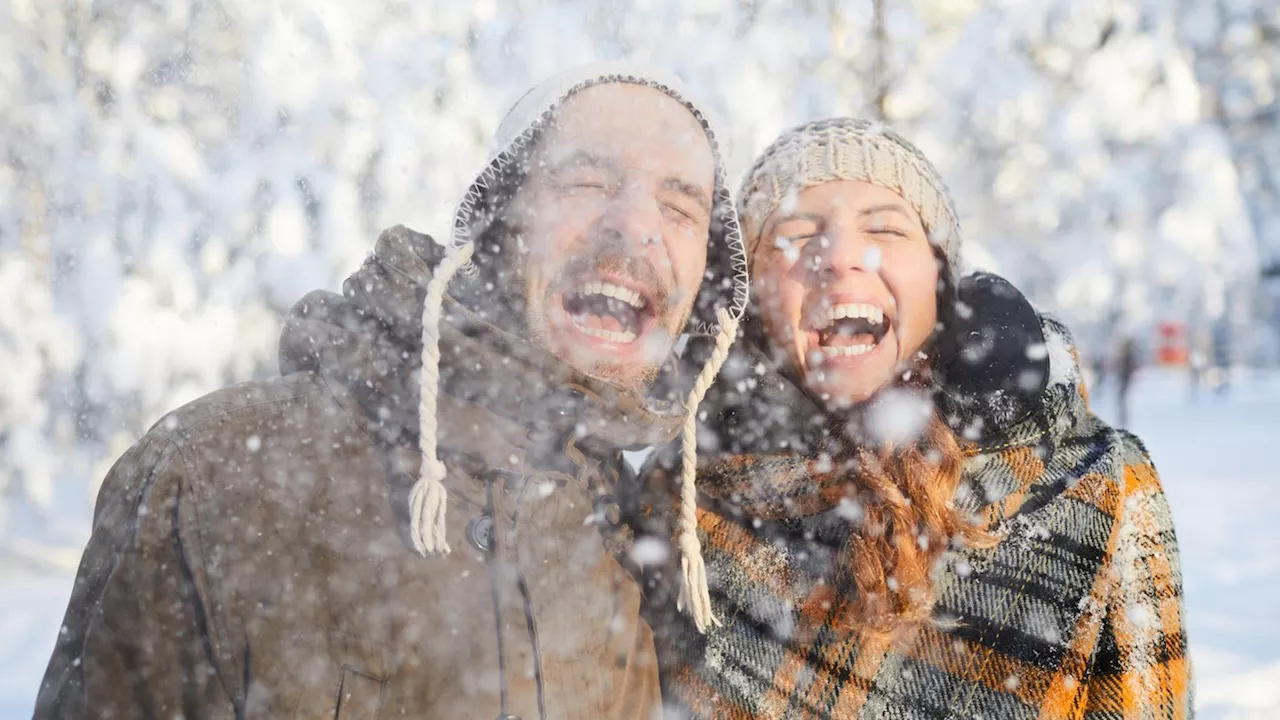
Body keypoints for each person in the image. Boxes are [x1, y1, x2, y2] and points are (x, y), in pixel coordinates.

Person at [34, 63, 748, 719]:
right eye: (588, 181)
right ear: (499, 222)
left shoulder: (638, 540)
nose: (636, 226)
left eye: (681, 209)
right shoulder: (222, 474)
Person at [635, 118, 1191, 718]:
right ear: (753, 298)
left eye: (884, 228)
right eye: (795, 234)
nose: (840, 257)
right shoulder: (684, 496)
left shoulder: (1097, 484)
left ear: (939, 281)